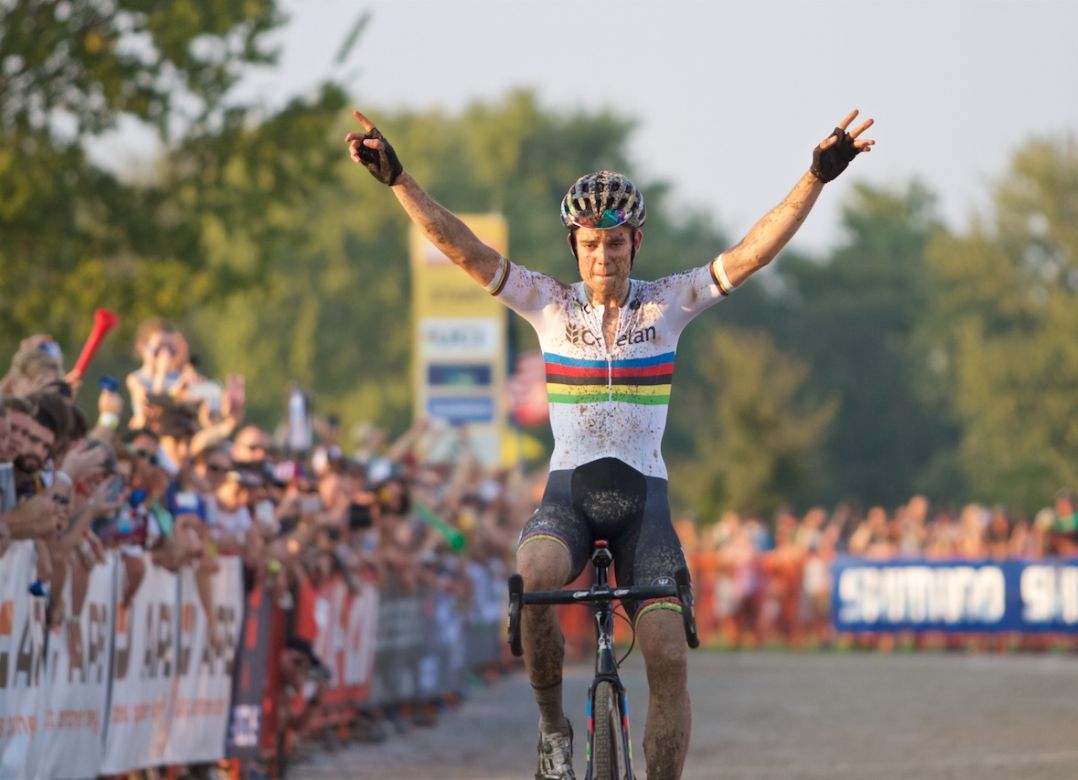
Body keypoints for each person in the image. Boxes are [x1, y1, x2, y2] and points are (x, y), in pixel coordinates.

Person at [346, 107, 875, 780]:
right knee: (534, 578)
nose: (604, 257)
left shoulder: (669, 304)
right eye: (592, 245)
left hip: (643, 508)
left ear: (636, 244)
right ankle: (551, 728)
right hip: (568, 495)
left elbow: (753, 252)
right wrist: (398, 180)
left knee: (668, 656)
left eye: (617, 244)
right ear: (575, 247)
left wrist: (815, 177)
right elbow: (462, 247)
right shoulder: (547, 304)